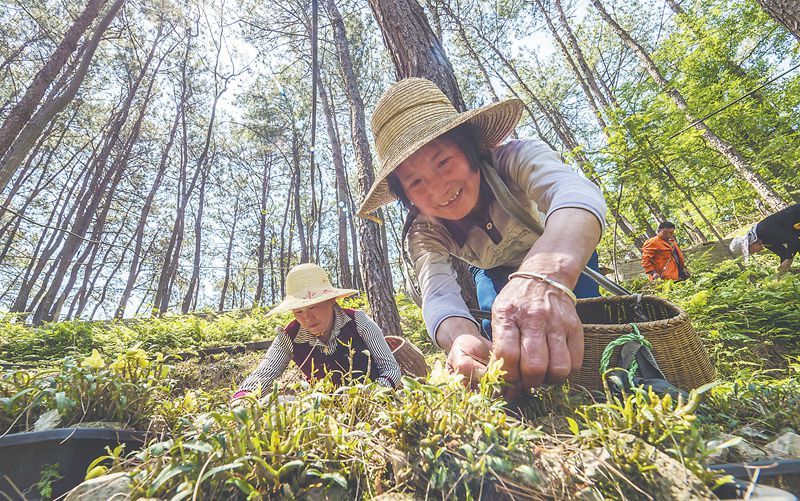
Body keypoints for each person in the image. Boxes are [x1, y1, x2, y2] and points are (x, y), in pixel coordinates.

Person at [357, 78, 607, 399]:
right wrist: (459, 336)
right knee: (498, 337)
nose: (438, 189)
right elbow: (438, 293)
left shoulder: (516, 159)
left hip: (564, 251)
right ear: (405, 196)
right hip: (491, 271)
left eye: (443, 161)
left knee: (585, 327)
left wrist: (545, 274)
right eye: (416, 181)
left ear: (471, 147)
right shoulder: (423, 233)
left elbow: (576, 196)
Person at [233, 263, 401, 398]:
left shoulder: (358, 321)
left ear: (331, 300)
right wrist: (243, 398)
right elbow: (265, 372)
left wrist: (372, 394)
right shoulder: (289, 337)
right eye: (298, 311)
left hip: (375, 401)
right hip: (325, 408)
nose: (307, 318)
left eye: (313, 307)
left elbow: (391, 369)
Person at [729, 203, 800, 273]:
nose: (753, 253)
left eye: (750, 251)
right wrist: (782, 269)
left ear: (750, 244)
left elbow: (794, 240)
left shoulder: (764, 230)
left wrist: (788, 259)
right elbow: (783, 253)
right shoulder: (764, 241)